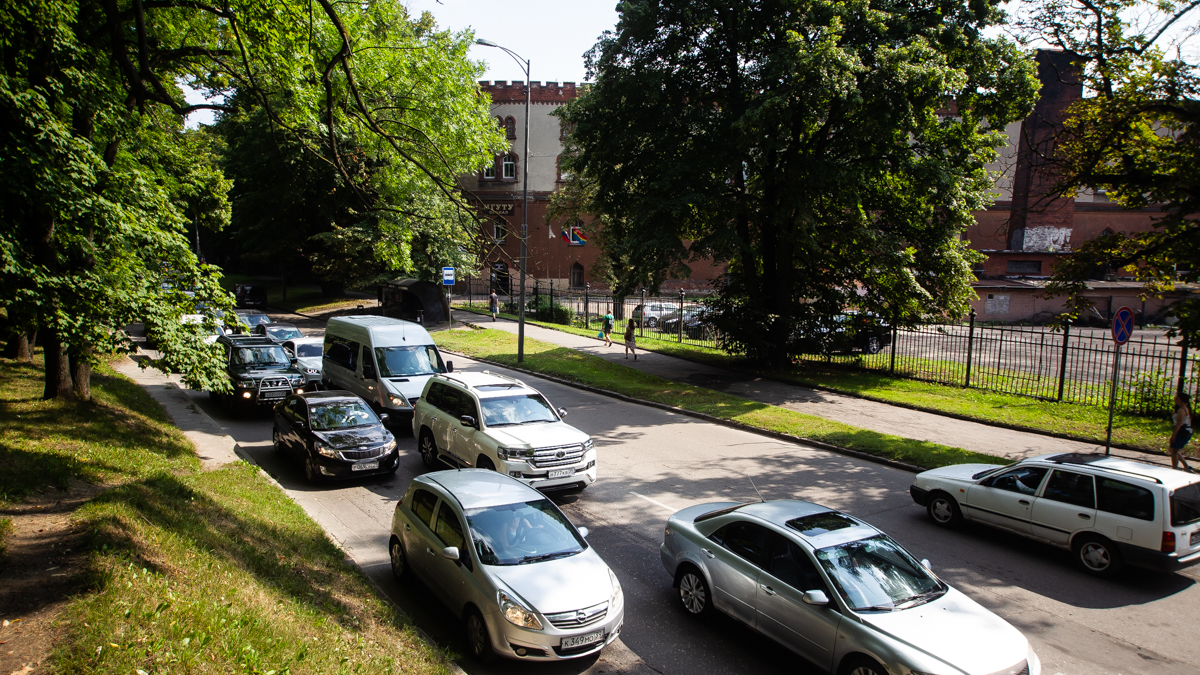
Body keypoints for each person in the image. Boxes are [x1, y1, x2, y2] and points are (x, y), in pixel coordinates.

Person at [1169, 392, 1194, 472]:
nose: (1175, 400)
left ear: (1181, 400)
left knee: (1174, 451)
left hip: (1181, 432)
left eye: (1177, 398)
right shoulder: (1185, 408)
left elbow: (1179, 424)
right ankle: (1186, 466)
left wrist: (1174, 435)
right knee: (1172, 450)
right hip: (1185, 431)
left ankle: (1175, 468)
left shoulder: (1181, 410)